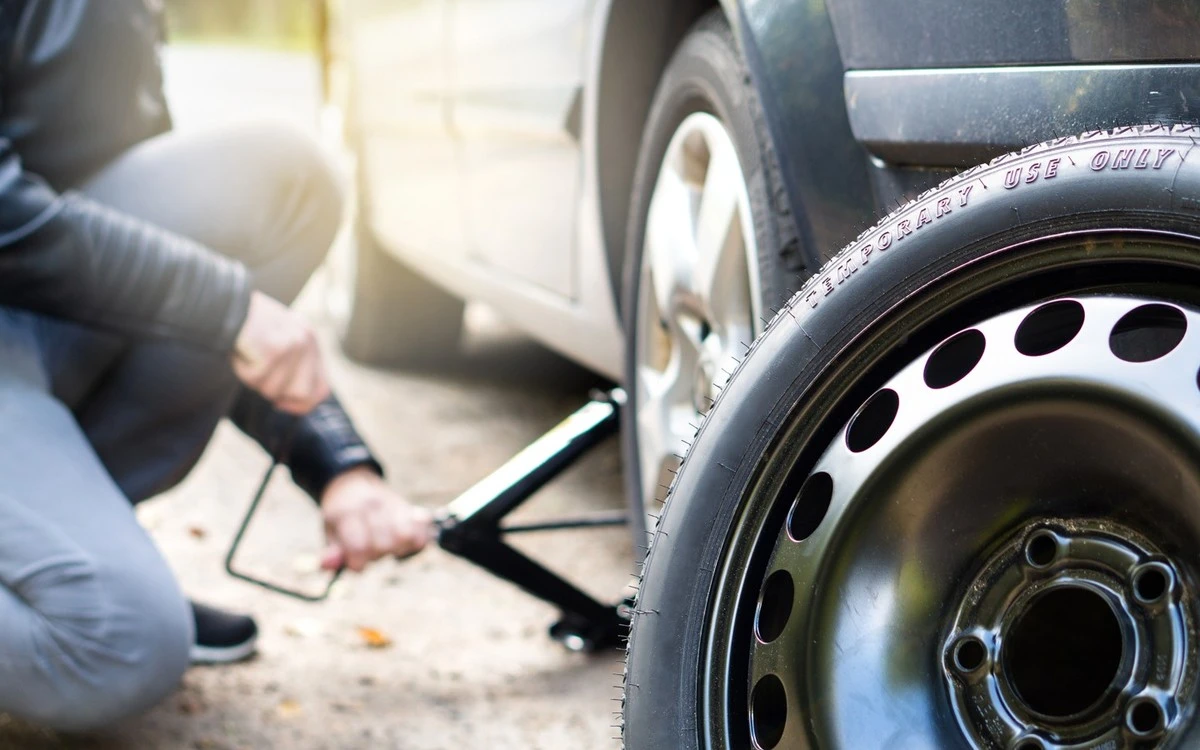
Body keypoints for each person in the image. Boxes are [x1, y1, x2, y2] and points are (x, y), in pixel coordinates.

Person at [0, 0, 436, 732]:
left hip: (26, 322)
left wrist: (336, 464)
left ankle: (64, 553)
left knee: (281, 178)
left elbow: (164, 283)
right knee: (120, 645)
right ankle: (79, 584)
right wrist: (227, 308)